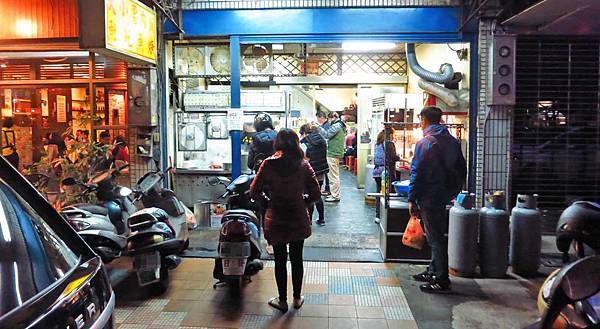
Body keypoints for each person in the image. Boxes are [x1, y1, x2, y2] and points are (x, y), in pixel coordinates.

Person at [249, 128, 321, 312]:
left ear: (277, 143)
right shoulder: (303, 165)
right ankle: (297, 298)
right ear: (296, 143)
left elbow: (254, 191)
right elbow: (316, 193)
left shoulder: (268, 164)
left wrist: (267, 202)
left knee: (280, 260)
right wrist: (302, 202)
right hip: (297, 217)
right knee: (297, 258)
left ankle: (282, 301)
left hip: (276, 217)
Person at [408, 106, 467, 294]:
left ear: (424, 120)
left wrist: (412, 198)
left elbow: (416, 173)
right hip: (442, 195)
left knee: (435, 238)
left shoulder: (424, 142)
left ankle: (442, 279)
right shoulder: (452, 141)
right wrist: (451, 192)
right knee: (436, 234)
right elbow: (462, 169)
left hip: (428, 196)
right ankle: (433, 270)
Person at [300, 123, 329, 226]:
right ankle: (321, 219)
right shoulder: (321, 140)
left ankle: (309, 220)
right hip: (321, 171)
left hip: (310, 171)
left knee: (308, 195)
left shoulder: (304, 142)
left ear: (304, 133)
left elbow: (303, 158)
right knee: (317, 194)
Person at [323, 111, 346, 202]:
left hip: (333, 152)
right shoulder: (340, 125)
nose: (328, 121)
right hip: (335, 152)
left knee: (333, 176)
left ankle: (335, 196)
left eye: (328, 119)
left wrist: (318, 128)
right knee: (334, 175)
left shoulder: (336, 126)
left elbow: (327, 135)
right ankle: (335, 194)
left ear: (332, 117)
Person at [373, 128, 400, 193]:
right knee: (389, 193)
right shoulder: (389, 143)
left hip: (377, 172)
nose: (393, 137)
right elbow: (393, 157)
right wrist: (405, 160)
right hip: (385, 172)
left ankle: (378, 203)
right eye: (393, 135)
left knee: (380, 192)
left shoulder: (377, 144)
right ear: (390, 135)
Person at [315, 111, 331, 196]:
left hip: (326, 150)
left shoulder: (326, 126)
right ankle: (327, 188)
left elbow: (325, 138)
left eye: (318, 118)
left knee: (327, 171)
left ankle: (328, 189)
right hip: (325, 150)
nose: (317, 120)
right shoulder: (325, 125)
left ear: (321, 117)